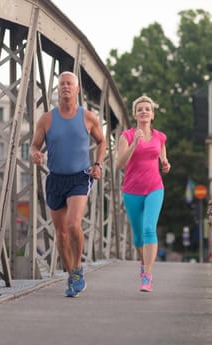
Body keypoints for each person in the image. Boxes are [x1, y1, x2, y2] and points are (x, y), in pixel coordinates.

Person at [30, 71, 106, 297]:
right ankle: (71, 273)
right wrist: (35, 154)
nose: (65, 87)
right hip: (55, 179)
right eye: (61, 84)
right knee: (61, 233)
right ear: (57, 89)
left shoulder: (88, 117)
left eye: (69, 84)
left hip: (80, 178)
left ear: (76, 90)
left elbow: (102, 141)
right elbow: (35, 145)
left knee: (73, 224)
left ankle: (79, 270)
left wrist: (98, 164)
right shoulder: (46, 119)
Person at [116, 95, 171, 292]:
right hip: (132, 191)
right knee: (138, 238)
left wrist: (165, 164)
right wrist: (134, 144)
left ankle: (147, 275)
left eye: (147, 108)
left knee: (149, 229)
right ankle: (143, 262)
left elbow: (163, 158)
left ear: (153, 114)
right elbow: (120, 164)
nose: (144, 111)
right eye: (140, 109)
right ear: (134, 114)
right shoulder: (127, 136)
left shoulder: (160, 137)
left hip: (155, 188)